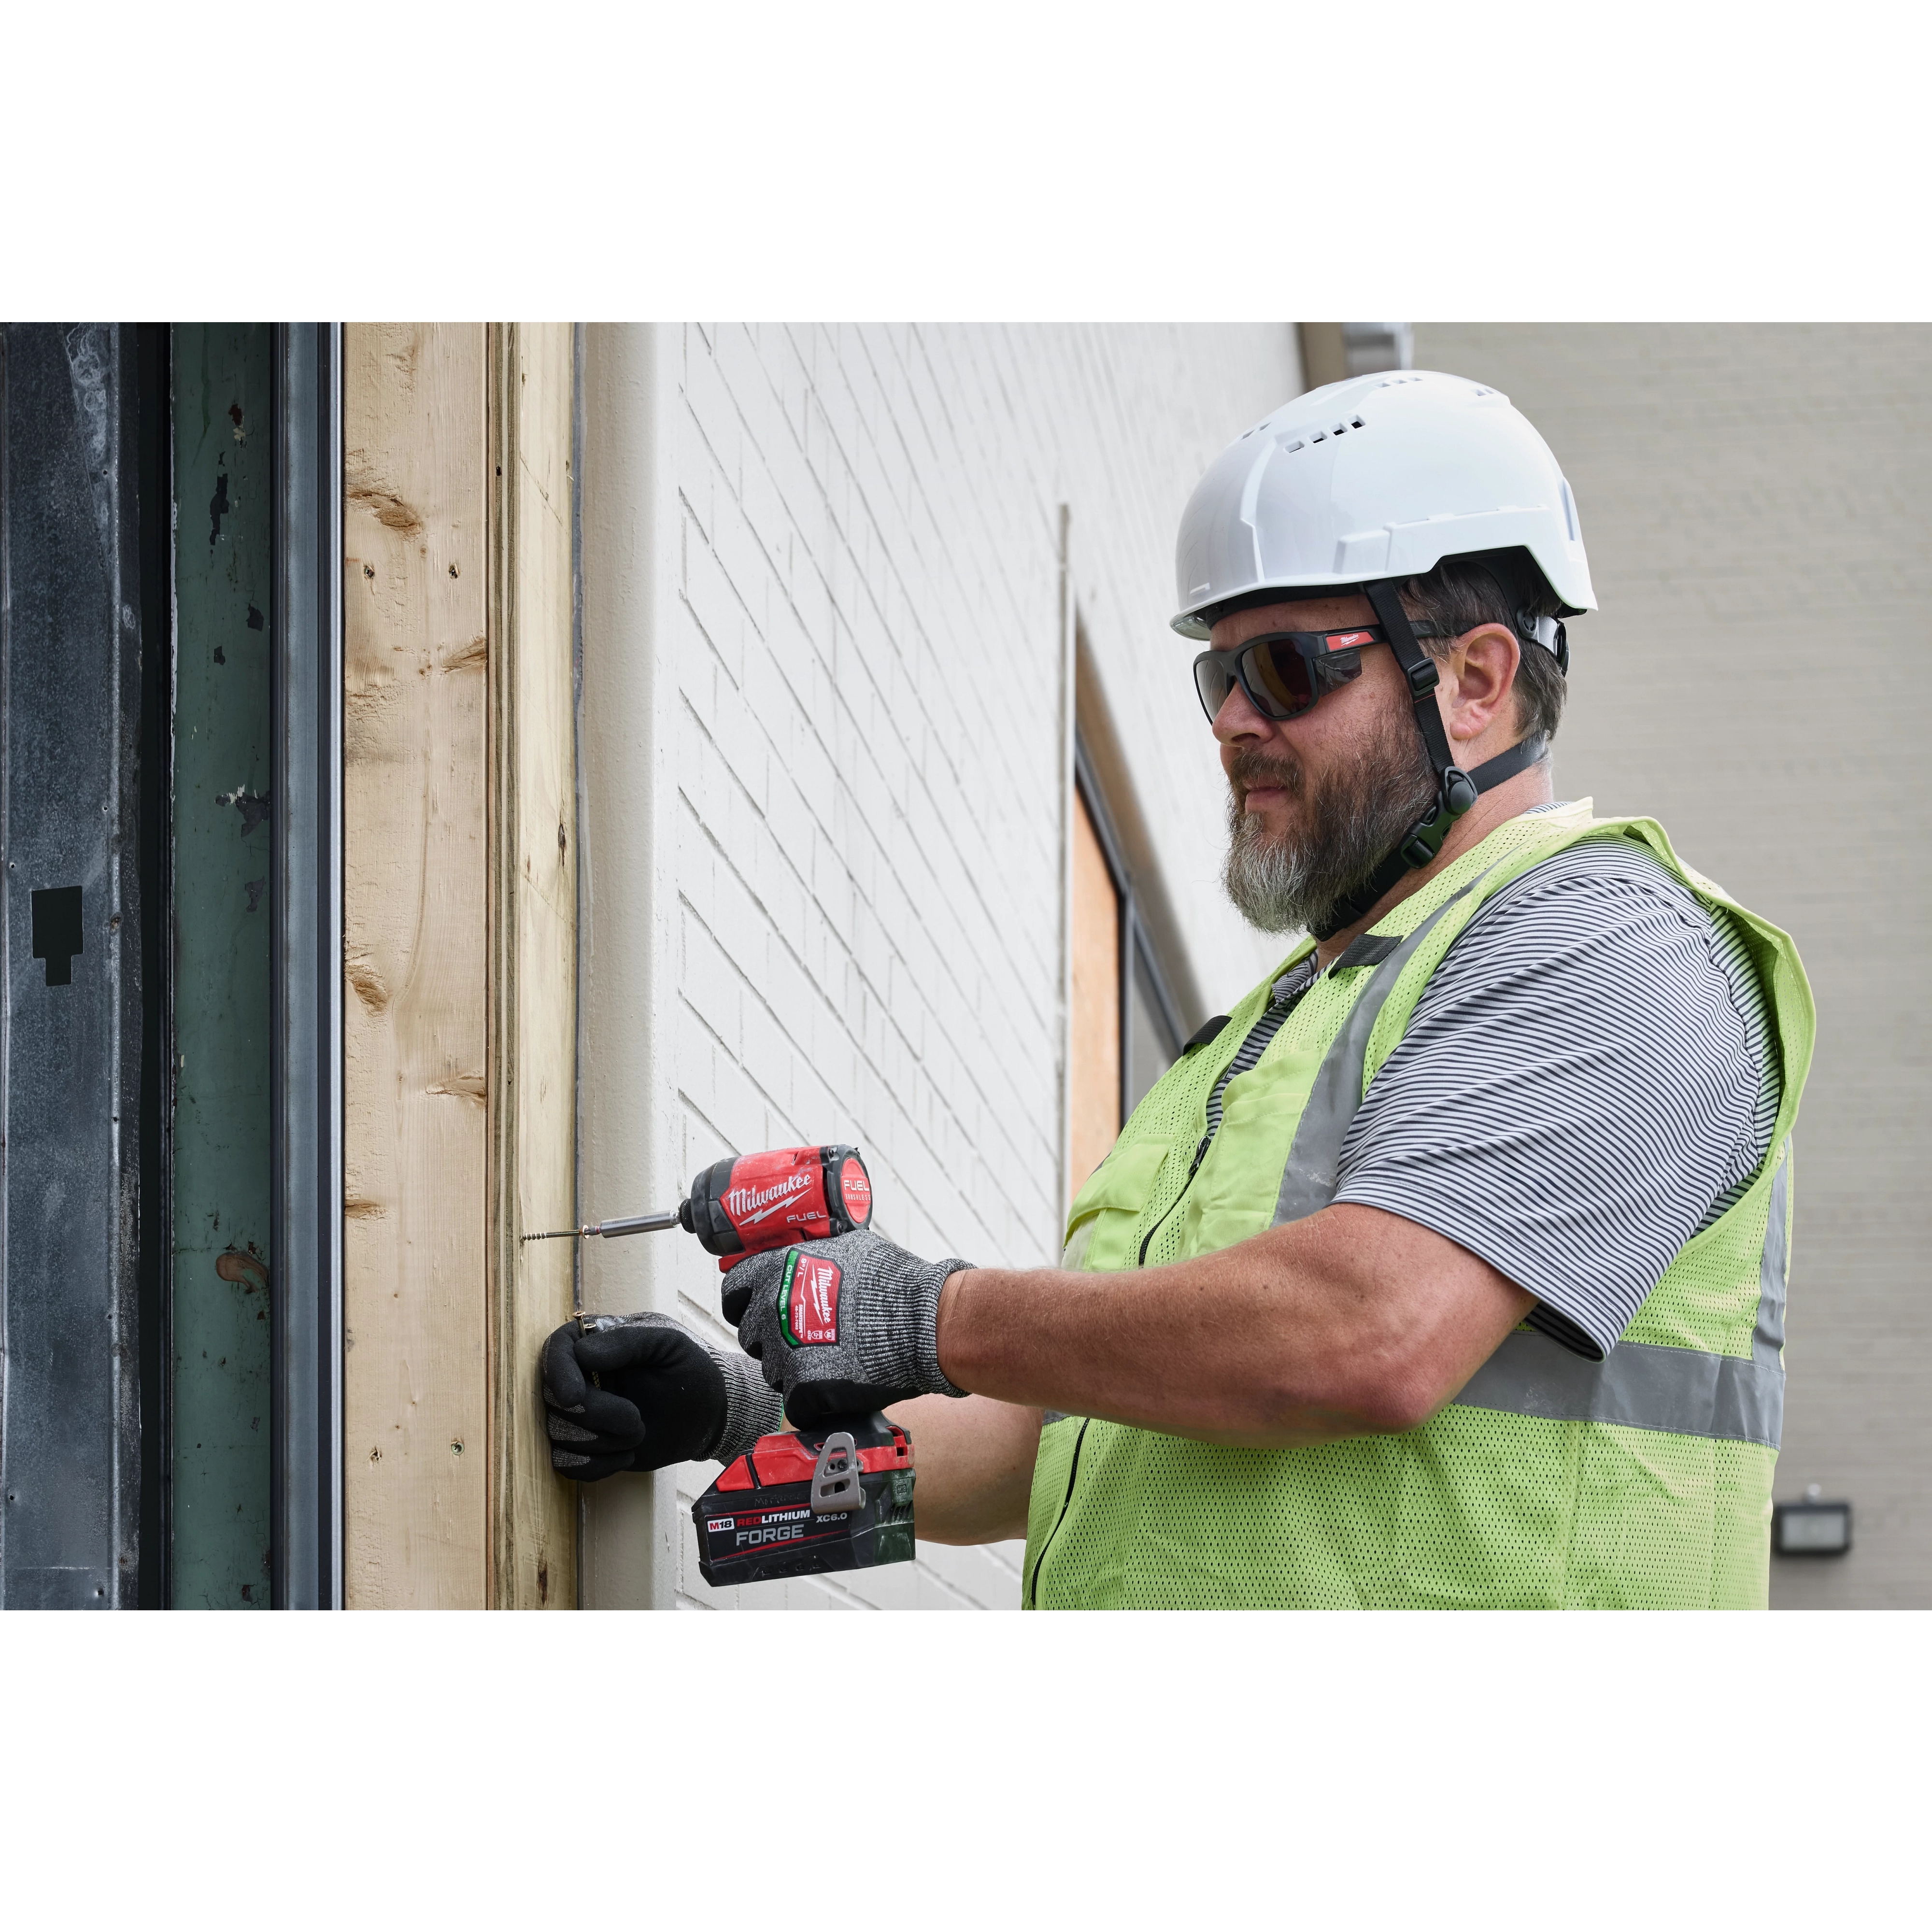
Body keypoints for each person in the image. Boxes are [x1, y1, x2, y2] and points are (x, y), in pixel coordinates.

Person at [543, 371, 1813, 1610]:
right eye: (1219, 679)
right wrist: (737, 1416)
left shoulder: (1612, 948)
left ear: (1478, 684)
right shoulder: (1263, 1041)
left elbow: (1370, 1338)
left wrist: (935, 1312)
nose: (1232, 725)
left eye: (1290, 671)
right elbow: (1060, 1450)